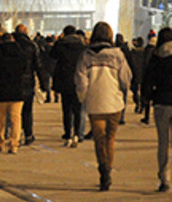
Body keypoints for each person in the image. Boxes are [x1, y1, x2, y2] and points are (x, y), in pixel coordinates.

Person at [74, 21, 132, 191]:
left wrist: (82, 97)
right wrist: (123, 93)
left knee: (99, 139)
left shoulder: (86, 55)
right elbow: (126, 78)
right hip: (114, 102)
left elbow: (80, 79)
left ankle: (103, 170)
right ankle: (108, 169)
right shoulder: (117, 54)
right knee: (110, 139)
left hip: (95, 102)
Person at [140, 27, 172, 192]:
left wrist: (147, 97)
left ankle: (164, 178)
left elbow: (147, 79)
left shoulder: (156, 57)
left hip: (161, 102)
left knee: (163, 143)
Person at [0, 31, 27, 154]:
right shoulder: (21, 53)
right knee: (16, 119)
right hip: (17, 91)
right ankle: (14, 144)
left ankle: (0, 142)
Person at [51, 25, 86, 146]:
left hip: (64, 78)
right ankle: (77, 133)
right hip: (78, 78)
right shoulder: (81, 45)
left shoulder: (60, 44)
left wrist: (58, 40)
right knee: (77, 108)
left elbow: (52, 55)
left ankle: (67, 132)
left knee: (66, 108)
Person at [13, 24, 44, 145]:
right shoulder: (31, 46)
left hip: (13, 82)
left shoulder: (11, 44)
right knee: (27, 110)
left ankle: (16, 134)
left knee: (15, 112)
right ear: (25, 32)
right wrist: (43, 83)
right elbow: (38, 66)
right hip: (27, 82)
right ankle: (28, 134)